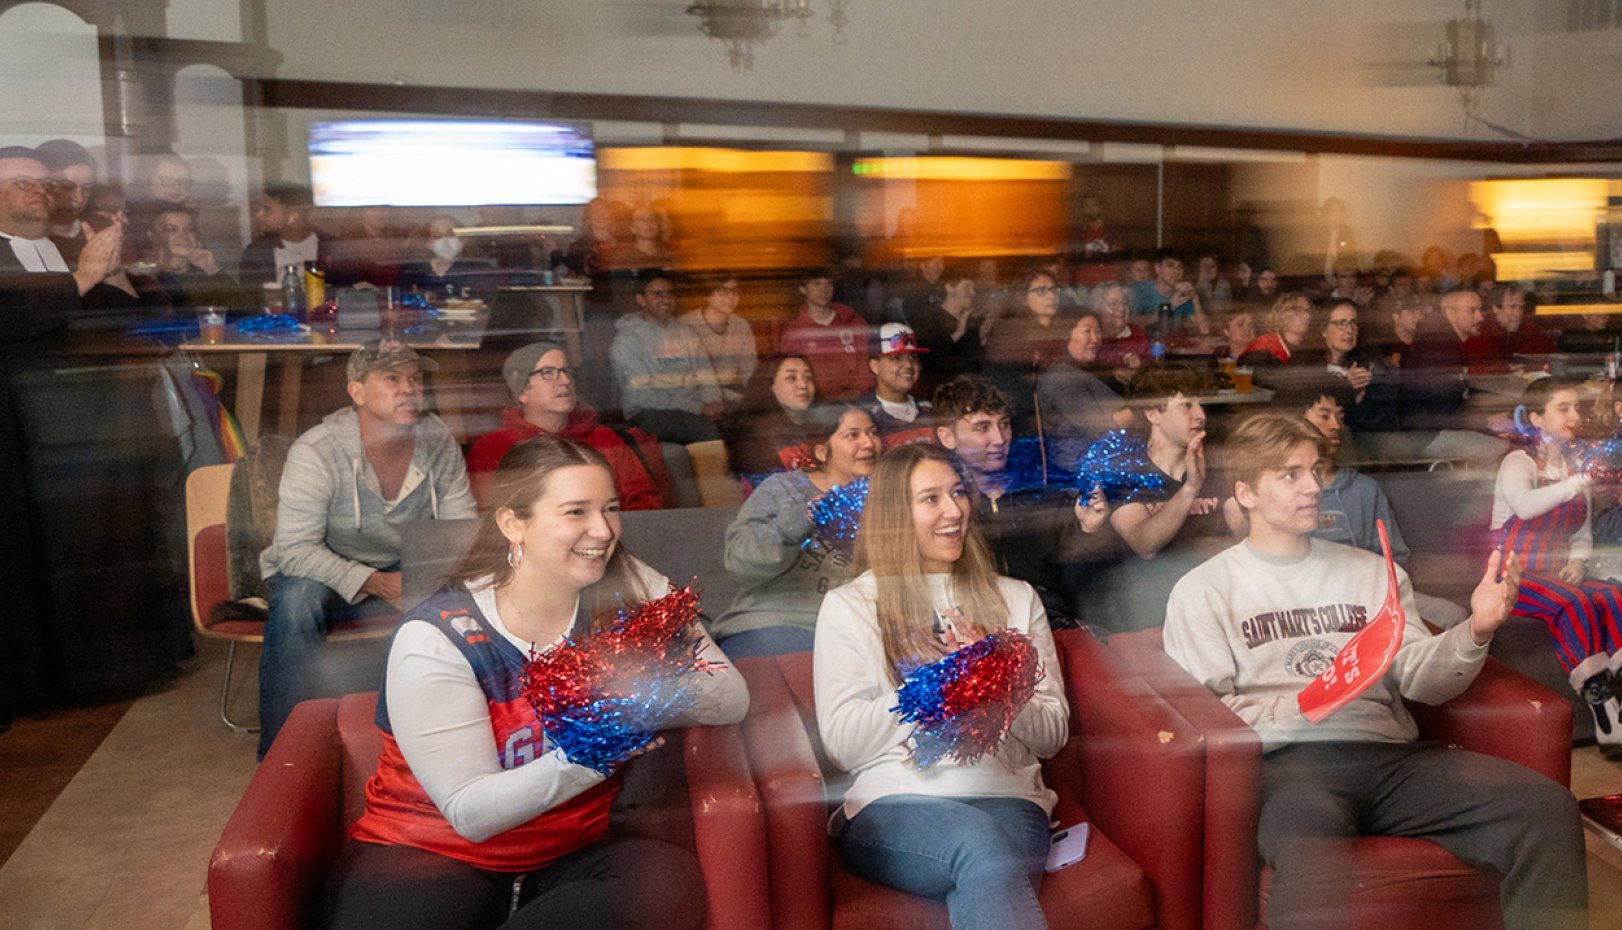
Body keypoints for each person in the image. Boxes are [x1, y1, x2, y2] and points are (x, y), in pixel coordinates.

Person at [1164, 412, 1587, 930]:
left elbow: (1421, 681)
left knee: (1547, 809)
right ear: (1246, 493)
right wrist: (1307, 703)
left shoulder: (1369, 572)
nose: (1313, 487)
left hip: (1389, 754)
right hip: (1290, 766)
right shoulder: (1204, 590)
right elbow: (1209, 722)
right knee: (1312, 860)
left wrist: (1476, 628)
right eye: (1290, 474)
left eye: (1315, 471)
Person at [318, 435, 746, 930]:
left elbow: (730, 694)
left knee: (668, 880)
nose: (603, 530)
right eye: (575, 512)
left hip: (572, 855)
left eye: (610, 508)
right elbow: (471, 814)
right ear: (511, 524)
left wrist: (642, 695)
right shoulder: (435, 636)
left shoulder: (630, 580)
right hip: (428, 852)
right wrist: (599, 740)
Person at [814, 442, 1069, 930]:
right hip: (893, 802)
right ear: (894, 515)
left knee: (987, 865)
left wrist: (998, 680)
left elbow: (1053, 734)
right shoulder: (850, 606)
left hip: (1009, 798)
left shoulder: (1016, 598)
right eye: (930, 498)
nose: (954, 510)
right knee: (979, 846)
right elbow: (845, 744)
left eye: (957, 493)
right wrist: (940, 684)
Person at [257, 341, 477, 757]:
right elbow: (294, 549)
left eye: (414, 379)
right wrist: (378, 583)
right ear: (356, 392)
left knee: (470, 589)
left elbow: (459, 529)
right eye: (392, 379)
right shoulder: (316, 451)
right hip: (322, 566)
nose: (409, 388)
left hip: (405, 562)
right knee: (296, 598)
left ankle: (447, 735)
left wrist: (425, 579)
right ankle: (285, 752)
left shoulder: (437, 438)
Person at [1492, 376, 1622, 752]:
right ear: (1537, 419)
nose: (1573, 415)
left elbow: (1581, 528)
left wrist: (1580, 562)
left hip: (1556, 571)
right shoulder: (1519, 462)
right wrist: (1577, 482)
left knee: (1611, 595)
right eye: (1562, 408)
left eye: (1576, 408)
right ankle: (1602, 706)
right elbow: (1525, 505)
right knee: (1575, 601)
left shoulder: (1570, 465)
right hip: (1513, 572)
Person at [933, 375, 1115, 627]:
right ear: (947, 437)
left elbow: (1084, 588)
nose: (999, 439)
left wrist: (1089, 531)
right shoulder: (943, 513)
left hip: (1050, 627)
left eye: (1004, 424)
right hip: (976, 634)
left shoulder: (1042, 498)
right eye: (982, 427)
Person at [709, 403, 880, 658]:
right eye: (852, 435)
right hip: (776, 624)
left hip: (855, 629)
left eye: (873, 432)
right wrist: (800, 519)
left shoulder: (886, 498)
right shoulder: (783, 489)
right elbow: (739, 563)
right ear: (822, 451)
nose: (869, 443)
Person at [1090, 364, 1226, 632]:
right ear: (1153, 414)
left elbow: (1246, 535)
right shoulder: (1123, 470)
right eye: (1187, 405)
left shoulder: (1216, 465)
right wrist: (1191, 488)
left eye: (1201, 405)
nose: (1200, 415)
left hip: (1214, 605)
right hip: (1152, 612)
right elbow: (1144, 543)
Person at [467, 342, 665, 511]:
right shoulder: (492, 448)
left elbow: (645, 503)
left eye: (566, 371)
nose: (565, 380)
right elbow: (490, 519)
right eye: (548, 373)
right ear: (522, 391)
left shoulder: (605, 438)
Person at [0, 145, 134, 310]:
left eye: (47, 183)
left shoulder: (46, 245)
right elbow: (16, 320)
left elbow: (124, 311)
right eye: (24, 183)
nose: (41, 190)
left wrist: (111, 268)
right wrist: (84, 277)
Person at [609, 269, 724, 444]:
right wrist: (698, 408)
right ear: (641, 300)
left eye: (670, 294)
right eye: (657, 294)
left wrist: (714, 403)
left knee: (743, 424)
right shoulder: (627, 340)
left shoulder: (686, 333)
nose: (666, 299)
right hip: (650, 412)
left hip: (695, 409)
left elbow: (706, 374)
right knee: (703, 430)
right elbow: (640, 396)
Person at [1035, 310, 1131, 474]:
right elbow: (1100, 427)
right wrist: (1145, 410)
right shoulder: (1061, 377)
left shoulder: (1083, 371)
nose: (1095, 338)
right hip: (1083, 477)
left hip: (1103, 465)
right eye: (1087, 331)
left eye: (1098, 331)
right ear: (1066, 335)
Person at [983, 270, 1075, 436]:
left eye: (1054, 290)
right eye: (1041, 291)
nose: (1051, 296)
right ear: (1022, 297)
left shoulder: (1063, 330)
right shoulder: (1008, 332)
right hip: (1021, 426)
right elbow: (1008, 387)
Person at [719, 353, 817, 484]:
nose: (803, 384)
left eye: (808, 377)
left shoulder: (822, 424)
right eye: (791, 378)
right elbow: (773, 491)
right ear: (770, 385)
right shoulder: (755, 435)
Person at [780, 266, 874, 401]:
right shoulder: (794, 334)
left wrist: (857, 392)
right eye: (816, 284)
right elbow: (792, 375)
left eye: (828, 284)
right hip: (817, 405)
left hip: (860, 399)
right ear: (803, 290)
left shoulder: (854, 323)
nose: (824, 289)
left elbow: (868, 362)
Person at [127, 204, 233, 309]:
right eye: (172, 229)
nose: (183, 236)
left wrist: (212, 270)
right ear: (152, 235)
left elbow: (241, 313)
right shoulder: (140, 276)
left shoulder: (204, 273)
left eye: (190, 229)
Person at [679, 272, 757, 405]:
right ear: (707, 296)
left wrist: (751, 396)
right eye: (723, 291)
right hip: (694, 398)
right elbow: (687, 380)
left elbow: (749, 370)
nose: (731, 297)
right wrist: (731, 396)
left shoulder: (741, 325)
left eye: (735, 291)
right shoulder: (686, 325)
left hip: (730, 395)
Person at [910, 261, 984, 396]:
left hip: (970, 395)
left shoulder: (971, 322)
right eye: (967, 287)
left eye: (974, 288)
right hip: (943, 397)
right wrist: (957, 333)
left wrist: (984, 339)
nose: (972, 293)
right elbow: (929, 362)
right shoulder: (929, 319)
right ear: (950, 288)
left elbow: (976, 366)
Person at [238, 182, 333, 288]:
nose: (259, 215)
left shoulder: (332, 247)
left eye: (267, 209)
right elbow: (250, 298)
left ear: (294, 213)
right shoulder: (256, 252)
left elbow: (343, 294)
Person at [859, 322, 934, 447]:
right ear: (874, 366)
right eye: (896, 358)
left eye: (912, 357)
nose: (908, 365)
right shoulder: (861, 414)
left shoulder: (929, 409)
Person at [396, 215, 495, 294]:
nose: (445, 241)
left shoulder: (480, 269)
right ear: (427, 243)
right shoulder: (413, 271)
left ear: (463, 240)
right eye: (437, 236)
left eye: (451, 235)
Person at [35, 139, 94, 264]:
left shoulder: (101, 230)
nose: (79, 199)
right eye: (67, 187)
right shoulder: (23, 240)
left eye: (87, 188)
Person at [1130, 249, 1207, 334]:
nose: (1176, 271)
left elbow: (1204, 330)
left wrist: (1195, 298)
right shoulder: (1141, 289)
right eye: (1170, 265)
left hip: (1171, 344)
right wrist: (1167, 307)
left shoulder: (1182, 293)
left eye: (1180, 267)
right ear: (1158, 268)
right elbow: (1130, 322)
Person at [1092, 282, 1148, 394]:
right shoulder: (1092, 336)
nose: (1122, 308)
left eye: (1125, 303)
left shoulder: (1138, 334)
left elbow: (1153, 373)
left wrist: (1140, 367)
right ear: (1098, 309)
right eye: (1113, 304)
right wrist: (1112, 373)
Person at [1239, 293, 1312, 366]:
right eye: (1299, 311)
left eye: (1308, 311)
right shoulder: (1263, 347)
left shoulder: (1312, 348)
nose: (1307, 317)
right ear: (1283, 314)